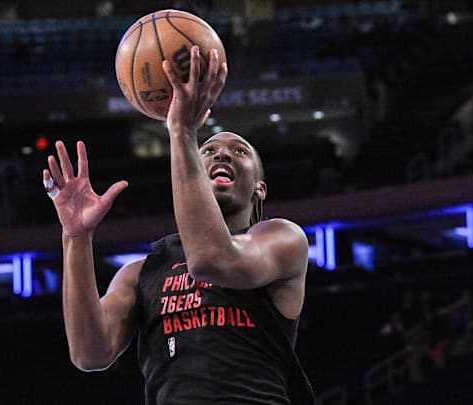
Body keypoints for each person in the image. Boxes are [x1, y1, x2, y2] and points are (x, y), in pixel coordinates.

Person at [43, 45, 316, 404]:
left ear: (260, 187)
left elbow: (212, 261)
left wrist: (183, 133)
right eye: (209, 149)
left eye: (240, 151)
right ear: (192, 170)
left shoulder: (283, 239)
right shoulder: (141, 272)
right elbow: (89, 353)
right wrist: (76, 238)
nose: (221, 153)